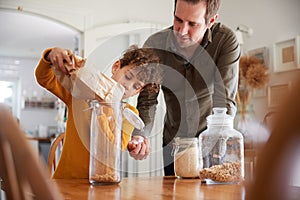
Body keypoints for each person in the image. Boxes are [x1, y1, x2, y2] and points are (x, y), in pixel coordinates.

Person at [131, 0, 240, 176]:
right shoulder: (155, 44)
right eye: (178, 20)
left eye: (192, 24)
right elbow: (147, 100)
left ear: (211, 21)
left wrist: (216, 147)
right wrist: (140, 135)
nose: (181, 31)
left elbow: (224, 100)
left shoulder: (225, 41)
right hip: (173, 143)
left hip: (211, 141)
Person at [35, 45, 161, 178]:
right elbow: (44, 79)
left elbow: (113, 150)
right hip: (67, 179)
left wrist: (103, 112)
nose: (127, 86)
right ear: (116, 67)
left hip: (103, 181)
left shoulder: (129, 114)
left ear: (137, 91)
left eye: (136, 86)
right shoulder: (80, 93)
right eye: (128, 76)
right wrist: (50, 55)